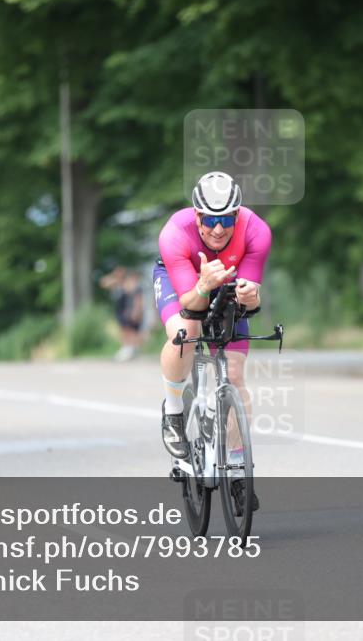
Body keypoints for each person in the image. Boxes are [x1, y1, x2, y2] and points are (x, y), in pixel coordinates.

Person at [153, 171, 271, 510]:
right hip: (184, 284)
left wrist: (250, 297)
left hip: (225, 283)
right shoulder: (175, 233)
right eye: (209, 219)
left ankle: (236, 468)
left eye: (225, 219)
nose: (217, 228)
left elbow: (250, 299)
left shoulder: (257, 231)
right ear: (196, 215)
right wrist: (203, 286)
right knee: (185, 331)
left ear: (237, 214)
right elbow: (192, 304)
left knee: (234, 374)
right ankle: (174, 411)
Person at [114, 269, 144, 361]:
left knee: (132, 331)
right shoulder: (127, 286)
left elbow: (138, 301)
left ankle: (132, 350)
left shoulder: (137, 288)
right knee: (127, 330)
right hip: (127, 311)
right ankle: (128, 348)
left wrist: (136, 311)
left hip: (132, 312)